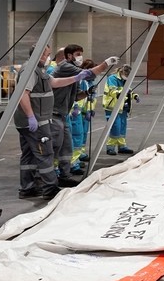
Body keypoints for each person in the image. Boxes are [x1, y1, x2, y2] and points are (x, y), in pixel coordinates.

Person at [16, 44, 114, 200]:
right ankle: (49, 188)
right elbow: (23, 94)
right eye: (47, 54)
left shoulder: (39, 70)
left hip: (38, 119)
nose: (50, 58)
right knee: (45, 154)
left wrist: (76, 79)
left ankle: (27, 187)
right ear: (40, 54)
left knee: (29, 155)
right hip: (37, 120)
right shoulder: (30, 70)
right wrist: (30, 116)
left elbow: (54, 83)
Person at [52, 44, 115, 184]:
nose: (80, 57)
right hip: (54, 114)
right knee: (55, 146)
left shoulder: (74, 74)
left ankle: (64, 176)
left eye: (81, 54)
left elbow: (75, 96)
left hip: (64, 114)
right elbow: (89, 73)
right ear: (69, 56)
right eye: (77, 54)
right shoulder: (65, 67)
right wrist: (107, 63)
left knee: (67, 147)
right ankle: (50, 177)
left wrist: (86, 93)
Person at [68, 59, 97, 174]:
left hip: (82, 113)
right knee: (75, 137)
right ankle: (73, 162)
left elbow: (90, 97)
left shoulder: (87, 83)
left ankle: (77, 157)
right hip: (75, 113)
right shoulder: (79, 81)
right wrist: (76, 107)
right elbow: (75, 95)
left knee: (81, 136)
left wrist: (90, 109)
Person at [104, 64, 139, 156]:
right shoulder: (112, 78)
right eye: (127, 76)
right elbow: (112, 90)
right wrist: (120, 93)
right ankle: (110, 147)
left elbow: (128, 90)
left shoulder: (125, 80)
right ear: (122, 72)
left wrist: (134, 95)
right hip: (113, 107)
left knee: (122, 128)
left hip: (123, 107)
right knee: (115, 127)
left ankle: (122, 146)